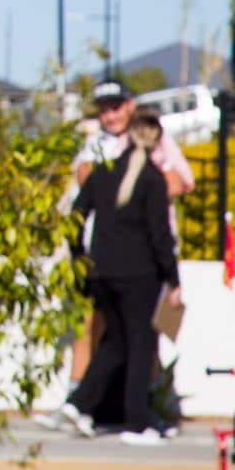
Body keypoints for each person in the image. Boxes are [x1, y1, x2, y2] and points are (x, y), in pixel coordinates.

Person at [52, 109, 181, 445]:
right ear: (157, 143)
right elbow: (160, 236)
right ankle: (137, 422)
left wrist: (81, 258)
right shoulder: (152, 180)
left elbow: (75, 217)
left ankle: (79, 404)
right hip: (139, 275)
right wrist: (173, 279)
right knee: (140, 344)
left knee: (116, 341)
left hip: (101, 271)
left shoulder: (104, 173)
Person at [67, 80, 191, 384]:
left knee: (144, 333)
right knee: (89, 327)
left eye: (116, 107)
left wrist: (137, 185)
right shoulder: (95, 144)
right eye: (104, 110)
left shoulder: (154, 141)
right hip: (102, 252)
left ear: (130, 106)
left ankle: (142, 401)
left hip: (143, 255)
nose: (110, 116)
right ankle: (79, 397)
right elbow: (83, 181)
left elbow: (181, 182)